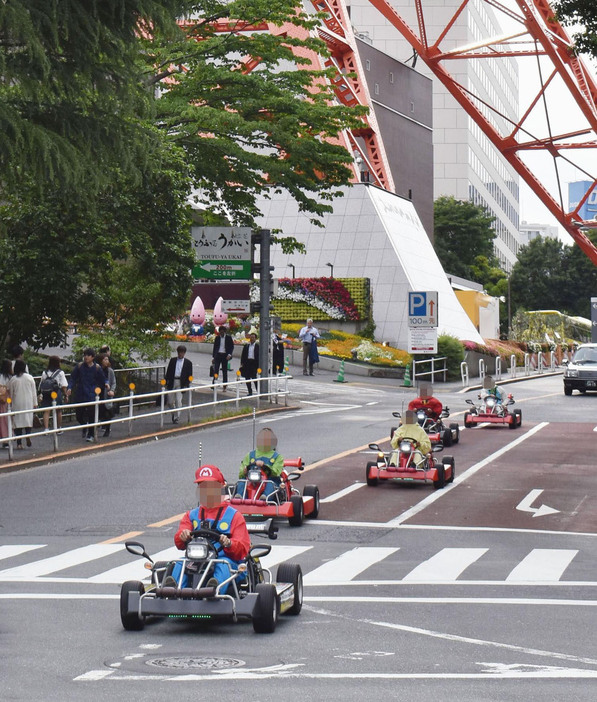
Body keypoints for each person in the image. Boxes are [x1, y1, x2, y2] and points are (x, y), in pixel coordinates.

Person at [168, 464, 250, 593]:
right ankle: (173, 591)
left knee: (223, 565)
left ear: (220, 488)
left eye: (210, 487)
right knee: (181, 563)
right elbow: (179, 543)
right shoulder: (191, 515)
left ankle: (213, 589)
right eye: (203, 487)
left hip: (226, 561)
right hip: (196, 559)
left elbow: (242, 550)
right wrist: (182, 536)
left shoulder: (234, 516)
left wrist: (229, 543)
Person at [66, 348, 106, 442]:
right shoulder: (80, 366)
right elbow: (73, 378)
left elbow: (103, 379)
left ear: (92, 357)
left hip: (92, 394)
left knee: (92, 415)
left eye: (88, 355)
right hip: (81, 393)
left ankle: (90, 434)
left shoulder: (97, 368)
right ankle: (84, 425)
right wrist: (70, 387)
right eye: (85, 355)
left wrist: (104, 386)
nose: (85, 357)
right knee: (79, 415)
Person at [235, 427, 284, 500]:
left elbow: (276, 472)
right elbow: (241, 472)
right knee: (242, 482)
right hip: (251, 481)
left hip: (268, 481)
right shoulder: (250, 455)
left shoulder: (277, 457)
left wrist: (264, 466)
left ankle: (264, 499)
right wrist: (244, 471)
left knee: (271, 484)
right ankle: (240, 499)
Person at [8, 360, 38, 449]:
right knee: (28, 420)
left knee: (17, 423)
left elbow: (11, 394)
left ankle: (19, 443)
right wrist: (35, 403)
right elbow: (34, 392)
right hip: (28, 402)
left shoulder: (13, 379)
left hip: (17, 402)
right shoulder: (30, 377)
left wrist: (10, 404)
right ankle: (28, 435)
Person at [38, 355, 68, 433]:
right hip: (56, 392)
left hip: (46, 393)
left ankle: (46, 429)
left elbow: (41, 384)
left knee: (46, 411)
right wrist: (66, 395)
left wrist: (40, 394)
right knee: (58, 410)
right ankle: (59, 428)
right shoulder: (60, 372)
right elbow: (64, 385)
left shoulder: (45, 372)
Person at [164, 344, 193, 424]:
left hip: (181, 382)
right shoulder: (173, 360)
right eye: (179, 352)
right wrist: (166, 381)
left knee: (178, 400)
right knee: (170, 401)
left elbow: (190, 375)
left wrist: (187, 384)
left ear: (184, 353)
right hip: (172, 381)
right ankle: (174, 413)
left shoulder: (188, 363)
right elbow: (168, 372)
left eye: (182, 352)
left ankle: (177, 417)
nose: (181, 354)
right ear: (177, 352)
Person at [96, 353, 116, 437]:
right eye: (105, 359)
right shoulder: (97, 370)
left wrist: (112, 390)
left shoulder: (110, 371)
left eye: (107, 359)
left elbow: (113, 382)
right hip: (98, 394)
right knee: (98, 412)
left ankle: (107, 429)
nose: (106, 361)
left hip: (107, 394)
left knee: (107, 412)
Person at [0, 359, 12, 448]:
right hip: (6, 398)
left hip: (2, 398)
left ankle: (4, 437)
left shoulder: (1, 376)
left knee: (3, 419)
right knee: (6, 418)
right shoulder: (10, 377)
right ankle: (6, 438)